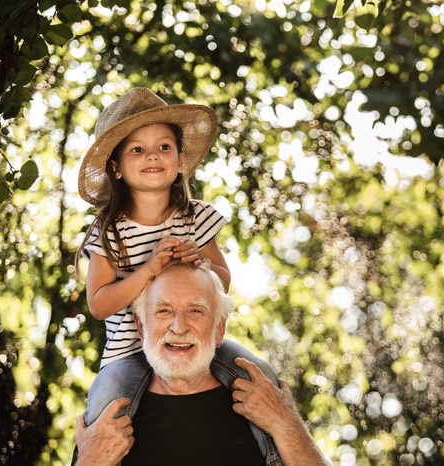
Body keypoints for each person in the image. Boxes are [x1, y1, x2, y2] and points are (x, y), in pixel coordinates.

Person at [75, 87, 276, 426]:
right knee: (104, 409)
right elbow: (98, 304)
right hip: (128, 354)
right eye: (137, 149)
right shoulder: (109, 230)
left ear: (180, 161)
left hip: (195, 343)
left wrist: (202, 264)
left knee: (261, 375)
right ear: (116, 168)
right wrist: (147, 271)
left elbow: (223, 281)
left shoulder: (195, 217)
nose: (152, 156)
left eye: (163, 147)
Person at [73, 260, 328, 466]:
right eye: (163, 310)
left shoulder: (262, 401)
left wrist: (286, 424)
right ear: (141, 326)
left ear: (219, 328)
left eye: (196, 310)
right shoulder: (107, 422)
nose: (179, 327)